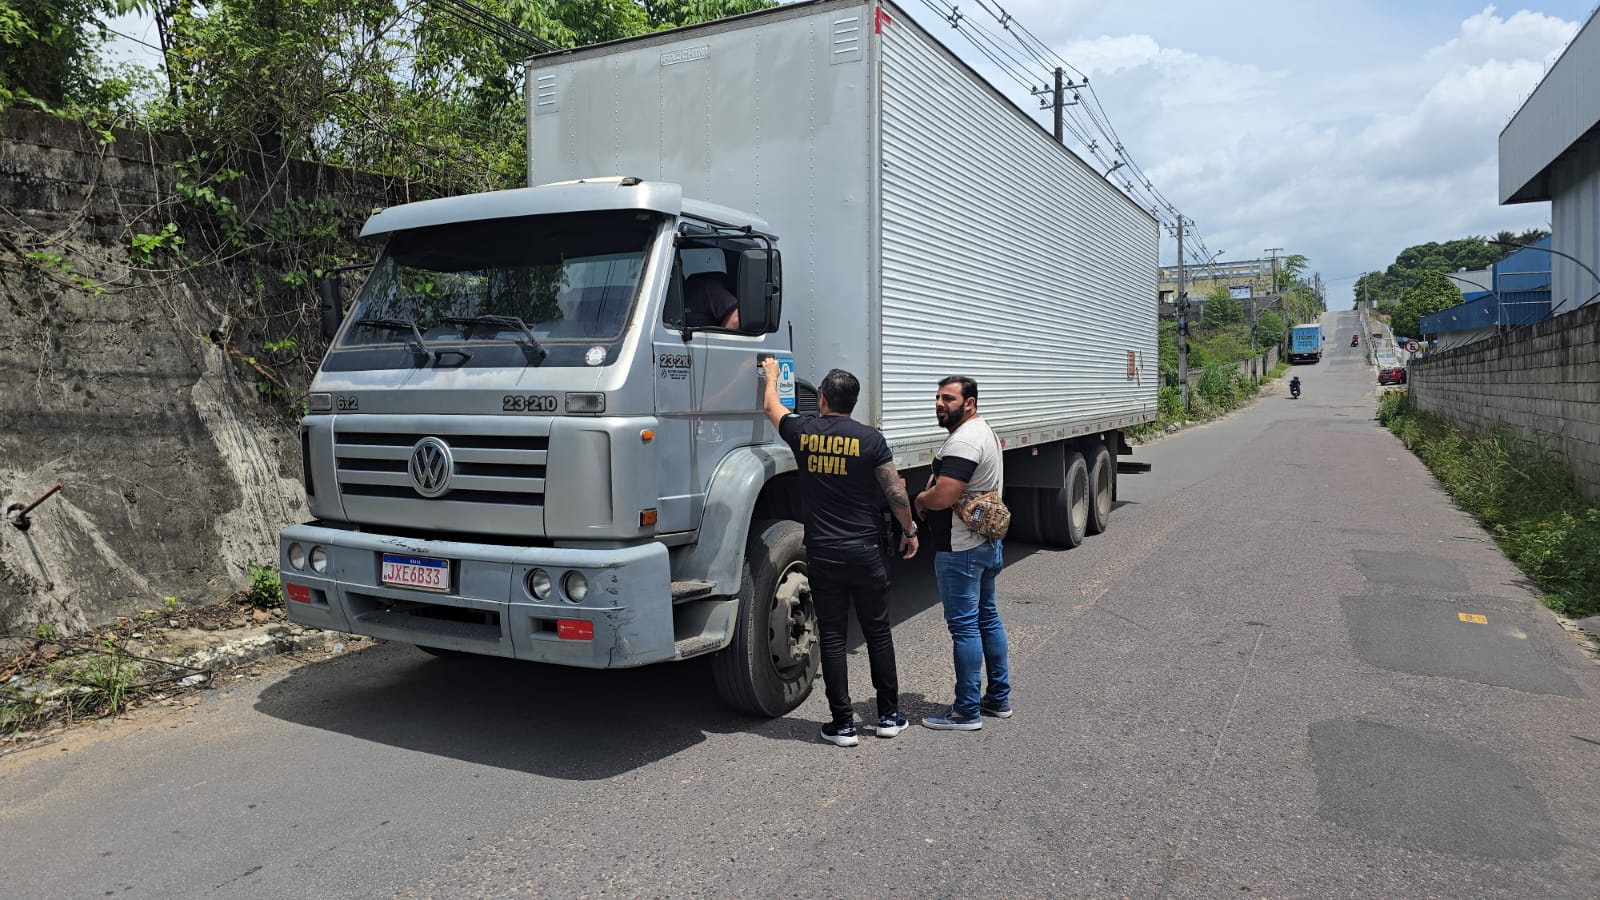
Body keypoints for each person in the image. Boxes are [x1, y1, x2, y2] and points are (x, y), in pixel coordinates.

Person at [758, 357, 919, 747]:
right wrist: (909, 530)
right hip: (866, 549)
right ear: (854, 401)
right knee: (878, 632)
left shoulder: (804, 431)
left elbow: (771, 408)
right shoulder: (870, 439)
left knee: (832, 637)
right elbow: (895, 491)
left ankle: (843, 724)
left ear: (824, 398)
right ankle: (888, 717)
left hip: (824, 551)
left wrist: (773, 376)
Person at [914, 375, 1010, 731]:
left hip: (961, 549)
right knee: (987, 618)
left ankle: (967, 710)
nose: (940, 403)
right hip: (984, 544)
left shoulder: (965, 441)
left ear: (969, 403)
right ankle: (998, 698)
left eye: (949, 398)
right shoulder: (980, 430)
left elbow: (944, 495)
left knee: (965, 627)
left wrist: (921, 499)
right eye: (938, 397)